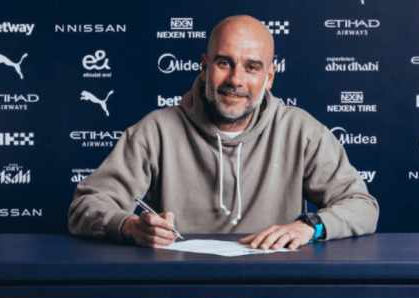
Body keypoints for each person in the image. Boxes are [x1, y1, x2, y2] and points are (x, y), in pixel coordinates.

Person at [68, 15, 379, 250]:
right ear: (204, 68)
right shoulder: (156, 130)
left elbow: (363, 206)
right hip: (178, 285)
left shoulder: (302, 131)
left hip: (276, 286)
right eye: (224, 63)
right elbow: (85, 206)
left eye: (252, 67)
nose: (236, 80)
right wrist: (130, 226)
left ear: (269, 76)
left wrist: (311, 226)